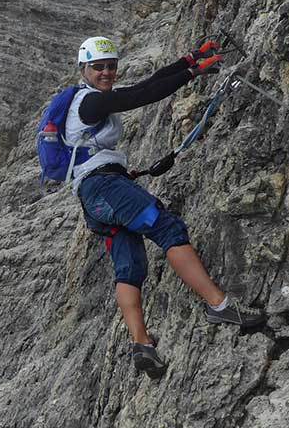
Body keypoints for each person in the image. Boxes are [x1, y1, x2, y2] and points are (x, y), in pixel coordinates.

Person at [67, 36, 266, 377]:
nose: (106, 72)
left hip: (94, 197)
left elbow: (145, 83)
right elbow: (141, 96)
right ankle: (220, 306)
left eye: (111, 66)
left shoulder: (89, 101)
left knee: (129, 265)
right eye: (99, 67)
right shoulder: (89, 104)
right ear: (83, 68)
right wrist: (192, 74)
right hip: (106, 186)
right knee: (167, 228)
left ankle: (142, 344)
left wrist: (189, 60)